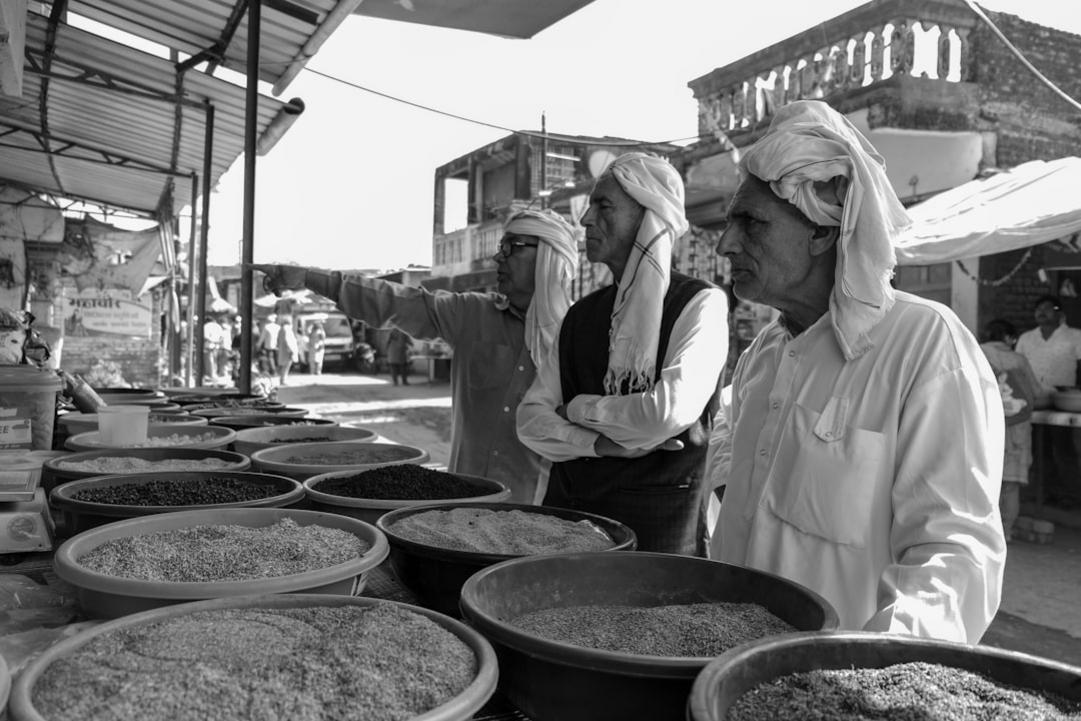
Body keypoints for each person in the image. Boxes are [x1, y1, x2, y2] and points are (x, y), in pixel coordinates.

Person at [708, 100, 1005, 643]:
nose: (727, 242)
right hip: (723, 668)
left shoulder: (924, 345)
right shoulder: (763, 356)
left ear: (824, 232)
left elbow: (955, 557)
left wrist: (868, 673)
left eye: (750, 222)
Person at [252, 207, 579, 504]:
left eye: (512, 247)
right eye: (499, 248)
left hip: (544, 510)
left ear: (549, 256)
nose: (499, 258)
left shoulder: (582, 335)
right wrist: (309, 278)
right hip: (466, 504)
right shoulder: (473, 314)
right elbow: (394, 302)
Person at [516, 153, 728, 555]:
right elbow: (529, 421)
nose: (585, 220)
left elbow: (664, 414)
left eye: (604, 205)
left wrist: (576, 410)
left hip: (658, 535)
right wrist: (602, 445)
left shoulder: (701, 304)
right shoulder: (581, 314)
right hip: (568, 528)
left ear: (649, 216)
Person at [1015, 295, 1081, 504]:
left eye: (1046, 308)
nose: (1041, 312)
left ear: (1060, 313)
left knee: (1063, 448)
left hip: (1063, 400)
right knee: (1037, 449)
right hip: (1034, 399)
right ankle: (1043, 492)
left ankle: (1071, 494)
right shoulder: (1026, 338)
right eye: (1038, 308)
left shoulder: (1075, 336)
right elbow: (1017, 368)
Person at [980, 319, 1041, 541]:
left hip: (985, 426)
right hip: (1017, 429)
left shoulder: (975, 352)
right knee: (1010, 482)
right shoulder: (1018, 360)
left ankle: (984, 531)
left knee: (984, 479)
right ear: (1008, 338)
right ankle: (1005, 532)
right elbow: (1036, 392)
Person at [277, 314, 299, 385]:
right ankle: (283, 380)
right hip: (287, 351)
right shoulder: (287, 329)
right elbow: (288, 340)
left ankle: (282, 379)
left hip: (283, 349)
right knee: (286, 366)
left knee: (285, 365)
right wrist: (291, 350)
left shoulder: (282, 329)